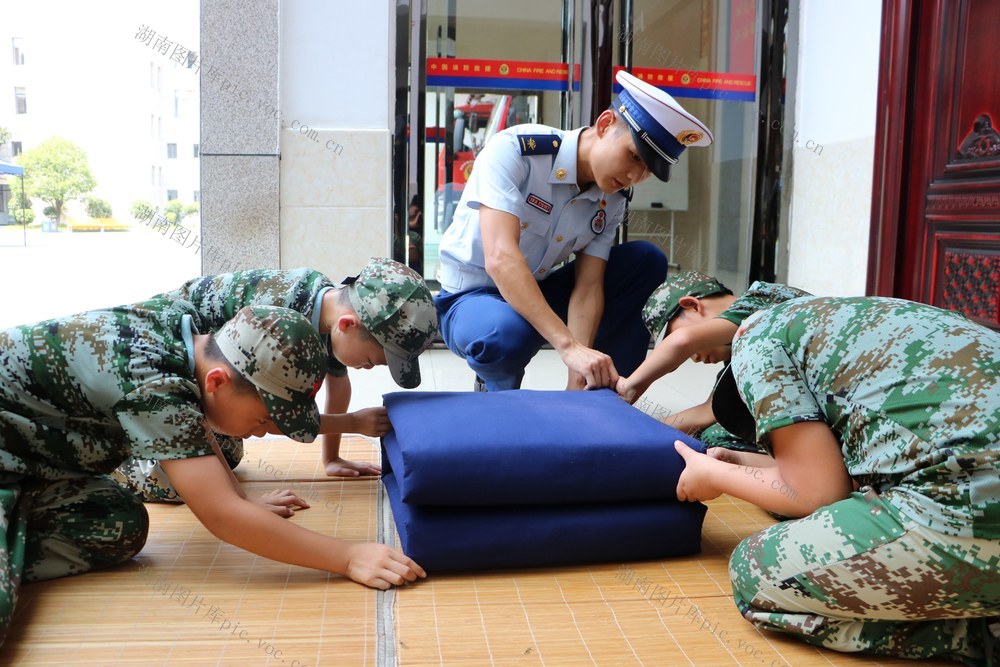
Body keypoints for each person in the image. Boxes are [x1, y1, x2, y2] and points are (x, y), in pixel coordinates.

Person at [0, 302, 425, 645]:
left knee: (118, 526)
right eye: (262, 419)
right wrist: (348, 557)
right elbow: (220, 517)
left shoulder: (187, 336)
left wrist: (242, 501)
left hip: (30, 457)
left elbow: (199, 433)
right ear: (219, 381)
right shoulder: (153, 383)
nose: (263, 431)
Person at [672, 296, 1000, 664]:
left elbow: (820, 493)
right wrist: (737, 463)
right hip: (973, 468)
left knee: (756, 571)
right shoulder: (844, 319)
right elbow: (840, 462)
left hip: (970, 504)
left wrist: (714, 474)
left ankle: (982, 634)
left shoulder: (755, 344)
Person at [435, 70, 713, 392]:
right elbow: (500, 258)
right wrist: (569, 347)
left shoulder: (613, 198)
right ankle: (498, 399)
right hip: (471, 300)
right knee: (505, 334)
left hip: (535, 291)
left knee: (644, 260)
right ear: (605, 124)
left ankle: (600, 398)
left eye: (648, 169)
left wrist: (576, 379)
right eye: (634, 156)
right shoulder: (516, 151)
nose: (635, 175)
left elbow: (588, 287)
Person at [111, 258, 439, 503]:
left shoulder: (326, 306)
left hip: (204, 385)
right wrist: (241, 503)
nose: (369, 368)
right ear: (349, 324)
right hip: (147, 378)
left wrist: (331, 458)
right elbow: (272, 418)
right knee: (174, 484)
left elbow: (338, 381)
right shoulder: (278, 326)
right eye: (371, 361)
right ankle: (110, 461)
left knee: (229, 451)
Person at [617, 270, 810, 452]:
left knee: (717, 440)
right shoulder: (739, 352)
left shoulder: (759, 300)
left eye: (671, 336)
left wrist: (628, 388)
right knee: (706, 434)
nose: (693, 358)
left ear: (692, 305)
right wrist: (644, 430)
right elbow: (708, 412)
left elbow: (683, 341)